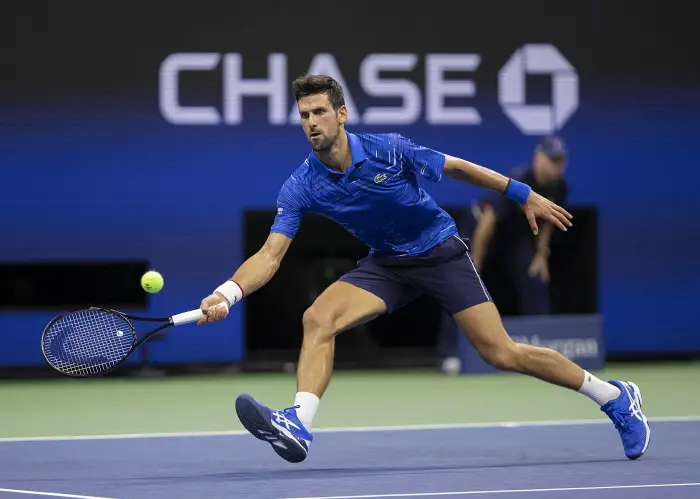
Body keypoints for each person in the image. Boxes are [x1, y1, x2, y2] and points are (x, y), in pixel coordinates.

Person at [195, 74, 650, 464]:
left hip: (439, 253)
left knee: (501, 353)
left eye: (318, 112)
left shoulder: (388, 150)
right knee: (317, 318)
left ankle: (613, 397)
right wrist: (227, 293)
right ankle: (299, 423)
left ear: (341, 113)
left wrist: (521, 192)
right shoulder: (302, 185)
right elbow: (270, 255)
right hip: (387, 264)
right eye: (303, 116)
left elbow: (458, 168)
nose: (311, 123)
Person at [470, 136, 569, 315]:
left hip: (513, 235)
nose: (557, 166)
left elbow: (548, 221)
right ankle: (454, 341)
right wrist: (475, 264)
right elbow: (488, 221)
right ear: (538, 157)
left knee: (535, 277)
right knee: (465, 284)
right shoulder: (518, 180)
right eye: (552, 160)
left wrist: (541, 254)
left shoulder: (559, 186)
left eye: (560, 160)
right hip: (483, 228)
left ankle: (540, 336)